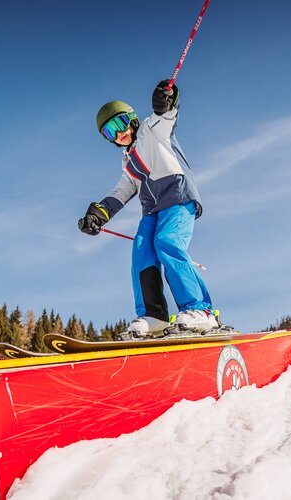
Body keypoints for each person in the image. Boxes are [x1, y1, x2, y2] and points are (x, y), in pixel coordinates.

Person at [79, 80, 217, 339]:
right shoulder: (128, 162)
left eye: (119, 125)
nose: (118, 134)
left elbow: (167, 114)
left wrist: (167, 98)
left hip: (177, 196)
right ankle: (154, 316)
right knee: (142, 252)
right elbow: (122, 191)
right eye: (109, 133)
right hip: (151, 210)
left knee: (167, 242)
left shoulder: (152, 129)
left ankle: (200, 310)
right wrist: (98, 213)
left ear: (131, 120)